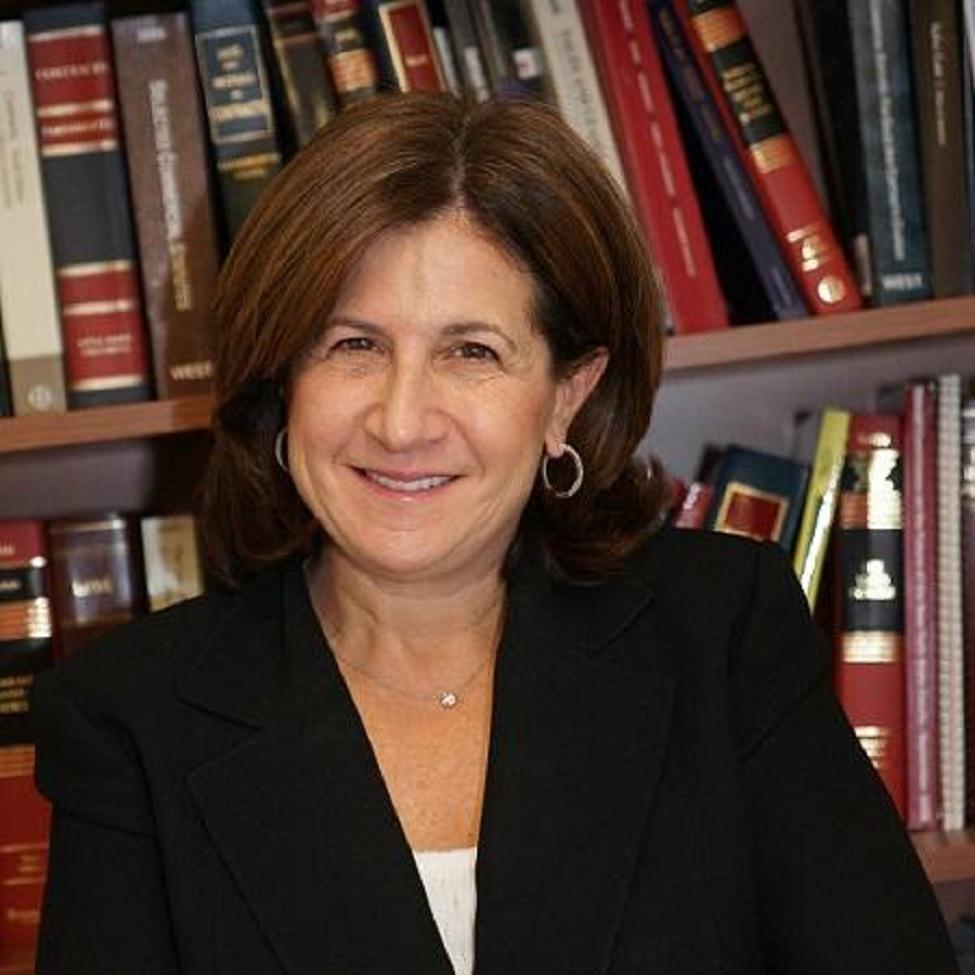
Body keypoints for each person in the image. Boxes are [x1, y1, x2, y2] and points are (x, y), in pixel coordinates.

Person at [31, 93, 956, 975]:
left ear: (567, 394)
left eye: (470, 352)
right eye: (352, 344)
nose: (401, 422)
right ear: (283, 382)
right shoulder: (130, 717)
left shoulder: (720, 632)